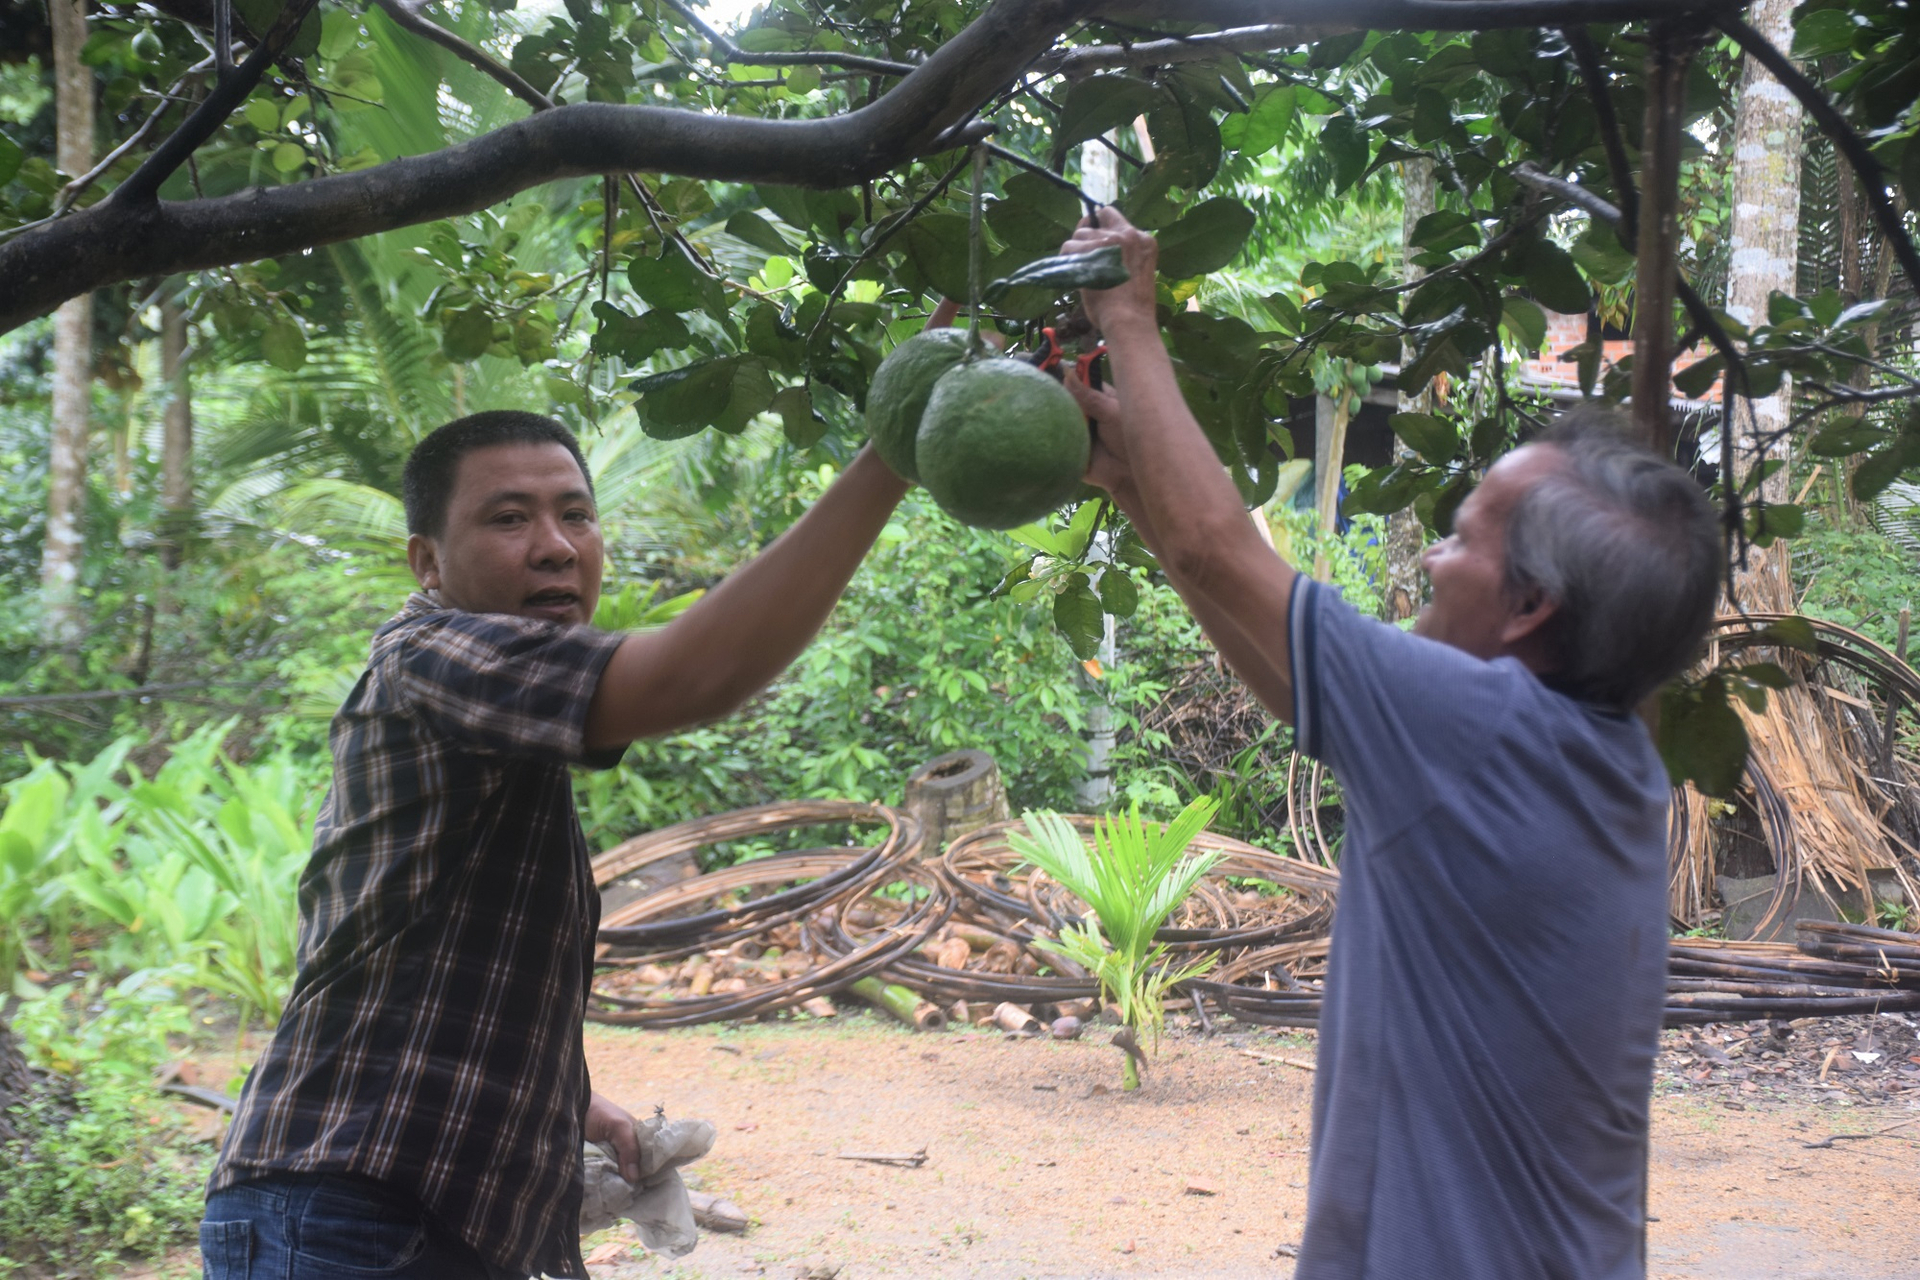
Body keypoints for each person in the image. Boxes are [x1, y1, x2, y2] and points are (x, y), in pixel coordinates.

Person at [1058, 207, 1718, 1279]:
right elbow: (1281, 669)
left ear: (1528, 606)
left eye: (1460, 535)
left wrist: (1128, 312)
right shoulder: (1588, 757)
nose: (1433, 557)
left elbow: (1220, 551)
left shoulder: (1483, 729)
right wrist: (1131, 479)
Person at [200, 383, 925, 1278]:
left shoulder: (480, 725)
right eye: (509, 519)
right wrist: (889, 453)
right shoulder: (433, 655)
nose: (556, 547)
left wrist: (574, 1105)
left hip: (387, 1215)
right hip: (345, 1215)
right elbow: (691, 677)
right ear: (427, 562)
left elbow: (401, 970)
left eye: (576, 515)